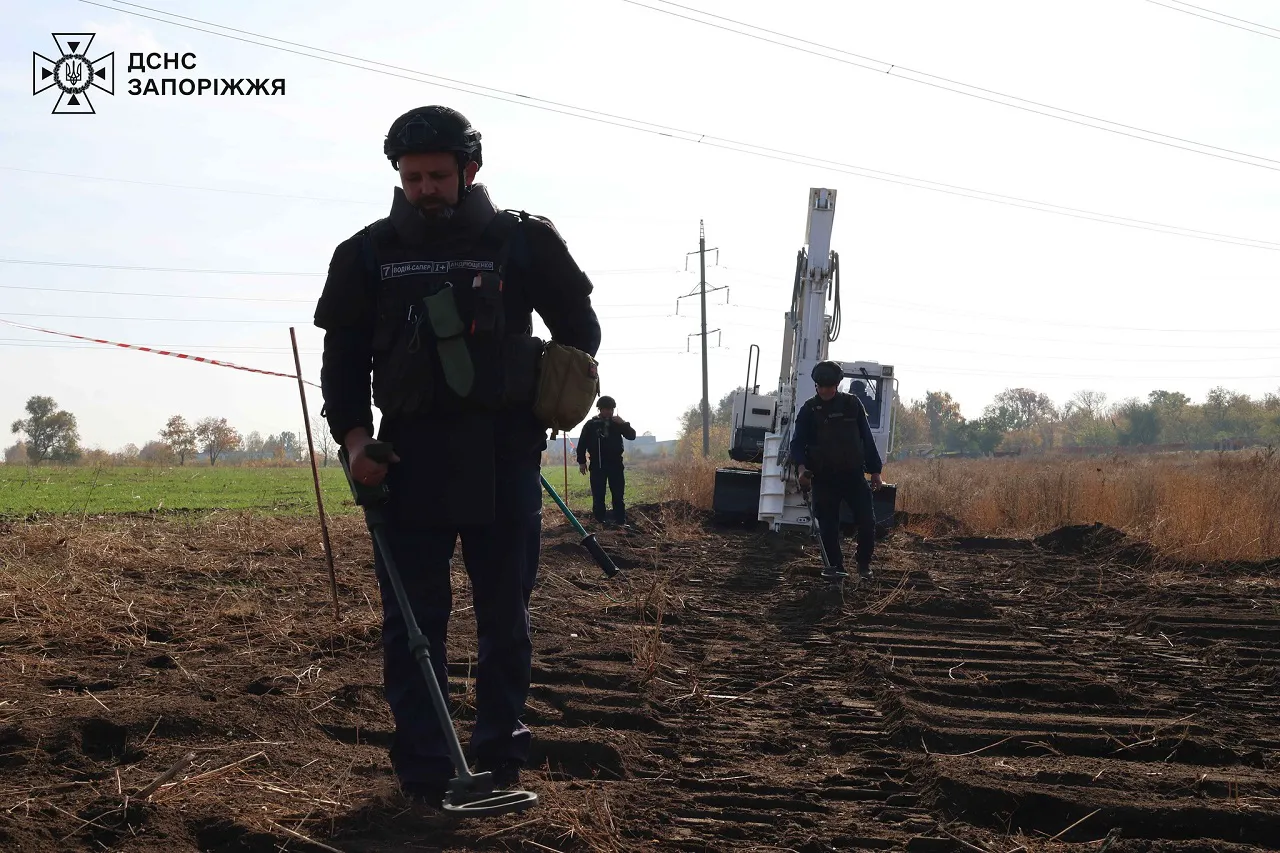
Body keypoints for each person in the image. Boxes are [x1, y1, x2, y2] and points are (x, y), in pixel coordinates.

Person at [312, 105, 602, 805]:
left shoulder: (522, 241)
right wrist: (355, 443)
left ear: (469, 170)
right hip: (406, 459)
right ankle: (425, 770)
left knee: (505, 618)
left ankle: (499, 757)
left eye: (438, 176)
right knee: (413, 625)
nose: (424, 189)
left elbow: (581, 330)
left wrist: (545, 382)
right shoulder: (366, 254)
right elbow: (341, 367)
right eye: (411, 178)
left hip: (506, 455)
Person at [789, 361, 884, 581]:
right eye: (821, 386)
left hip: (853, 475)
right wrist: (802, 469)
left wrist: (875, 471)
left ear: (837, 384)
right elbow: (797, 444)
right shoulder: (809, 410)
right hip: (824, 477)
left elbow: (866, 438)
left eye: (829, 386)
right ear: (816, 385)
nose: (825, 390)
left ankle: (863, 565)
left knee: (867, 521)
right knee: (828, 526)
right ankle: (835, 567)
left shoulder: (852, 404)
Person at [575, 396, 636, 525]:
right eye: (607, 409)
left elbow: (632, 436)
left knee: (618, 495)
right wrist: (581, 462)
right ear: (600, 409)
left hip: (616, 465)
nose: (610, 412)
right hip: (597, 465)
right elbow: (582, 444)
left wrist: (623, 423)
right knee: (598, 496)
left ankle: (620, 521)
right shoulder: (591, 425)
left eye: (611, 409)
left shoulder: (617, 423)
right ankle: (599, 522)